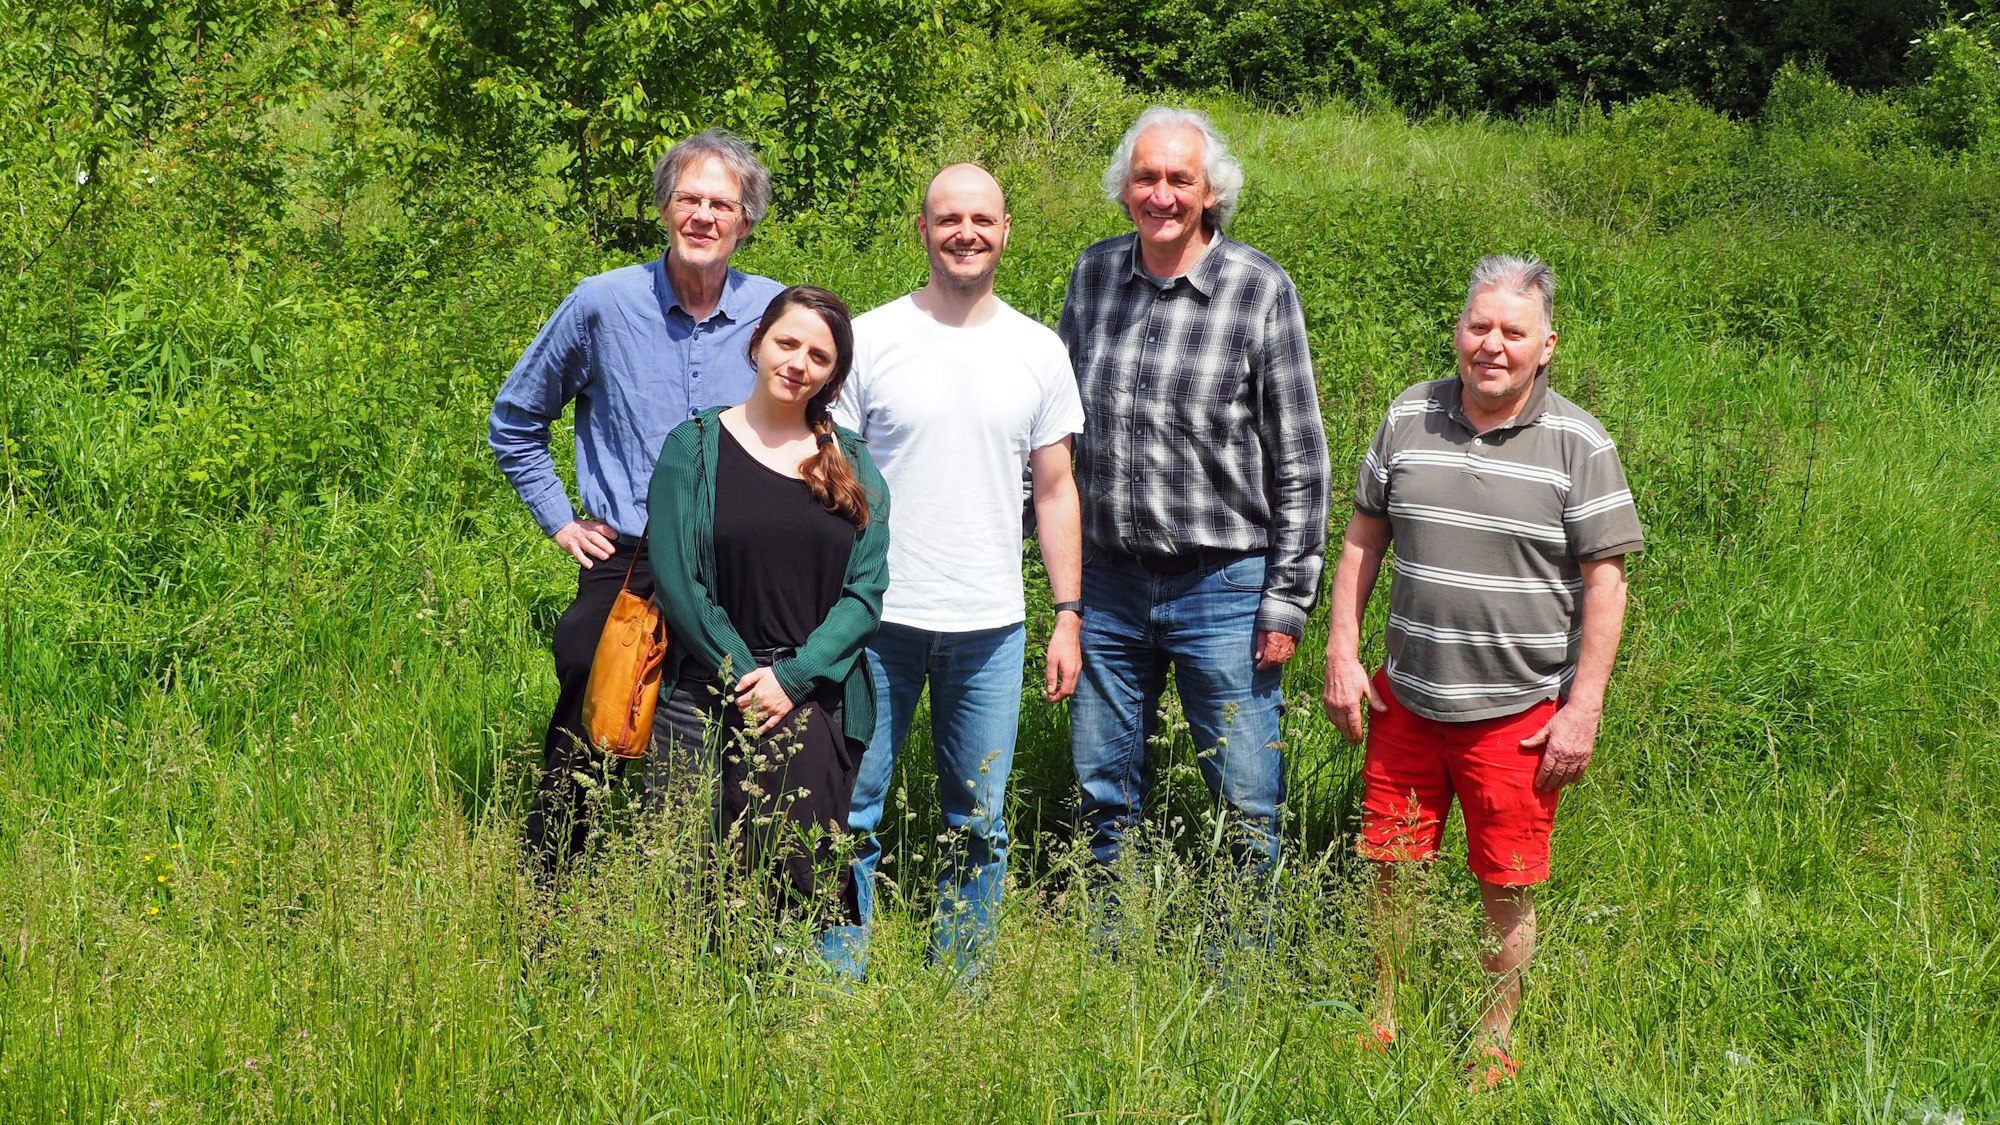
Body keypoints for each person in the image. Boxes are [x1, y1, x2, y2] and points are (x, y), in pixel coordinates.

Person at [1320, 255, 1642, 1086]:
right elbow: (1363, 539)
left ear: (1546, 346)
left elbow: (1606, 583)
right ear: (1458, 330)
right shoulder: (1407, 415)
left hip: (1517, 715)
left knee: (1507, 882)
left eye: (1513, 332)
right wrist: (1343, 651)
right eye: (1478, 326)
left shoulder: (1579, 442)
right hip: (1407, 701)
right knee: (1390, 872)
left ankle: (1495, 1040)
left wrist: (1584, 708)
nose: (1491, 345)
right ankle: (1381, 1018)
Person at [489, 129, 784, 878]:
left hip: (736, 566)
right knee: (589, 729)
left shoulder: (773, 312)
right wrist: (559, 518)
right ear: (664, 207)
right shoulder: (603, 303)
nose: (704, 216)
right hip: (629, 565)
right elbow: (517, 418)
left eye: (723, 203)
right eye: (689, 198)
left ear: (746, 221)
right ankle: (547, 901)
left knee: (736, 740)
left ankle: (713, 905)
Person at [1058, 106, 1329, 903]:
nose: (1162, 193)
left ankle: (1242, 969)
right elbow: (1058, 434)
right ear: (1124, 189)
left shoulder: (1258, 289)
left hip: (1225, 587)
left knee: (1244, 799)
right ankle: (1109, 951)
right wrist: (1061, 587)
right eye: (1146, 176)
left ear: (1211, 193)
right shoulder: (1093, 275)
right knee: (1103, 790)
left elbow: (1301, 457)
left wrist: (1287, 600)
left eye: (1181, 178)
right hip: (1107, 583)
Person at [827, 164, 1086, 979]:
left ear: (1007, 230)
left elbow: (1054, 490)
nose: (965, 232)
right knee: (852, 811)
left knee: (979, 819)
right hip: (875, 621)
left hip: (991, 625)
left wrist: (1067, 612)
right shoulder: (867, 339)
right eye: (948, 219)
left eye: (981, 219)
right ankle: (836, 979)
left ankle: (962, 983)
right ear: (922, 229)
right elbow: (826, 479)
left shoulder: (1039, 351)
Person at [645, 285, 889, 944]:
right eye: (787, 342)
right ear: (757, 344)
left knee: (786, 897)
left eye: (819, 354)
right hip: (702, 694)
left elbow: (865, 593)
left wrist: (793, 678)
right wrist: (748, 675)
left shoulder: (853, 462)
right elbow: (679, 581)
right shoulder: (692, 449)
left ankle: (774, 1032)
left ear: (832, 375)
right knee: (685, 886)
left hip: (814, 700)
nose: (798, 362)